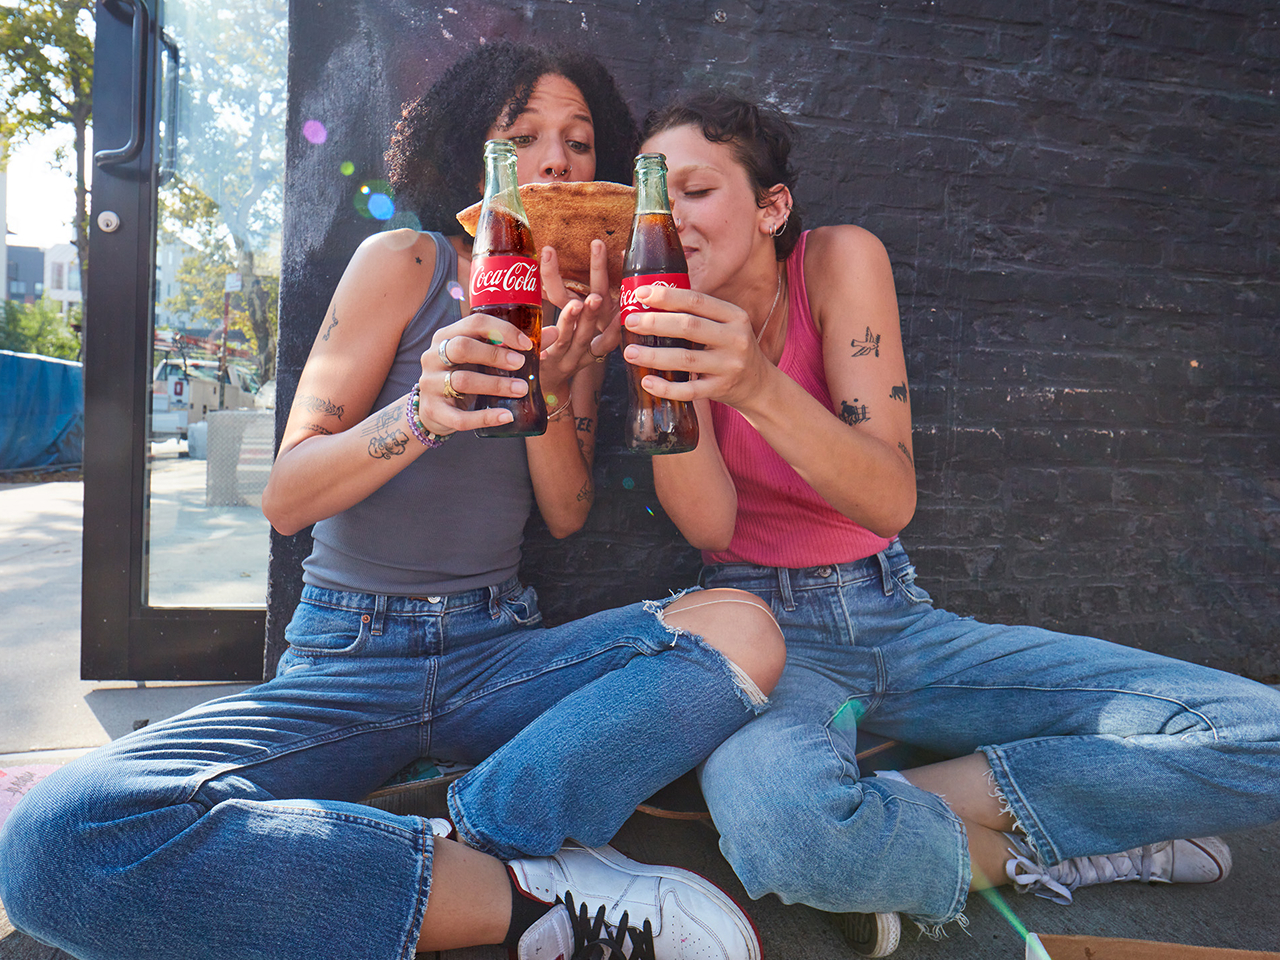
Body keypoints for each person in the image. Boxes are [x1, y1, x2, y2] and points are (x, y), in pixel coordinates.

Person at [0, 47, 786, 960]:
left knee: (747, 630)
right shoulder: (406, 261)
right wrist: (422, 410)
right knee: (59, 844)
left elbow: (565, 514)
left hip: (497, 651)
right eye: (523, 136)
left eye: (579, 142)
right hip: (350, 656)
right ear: (471, 150)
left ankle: (465, 827)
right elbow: (288, 497)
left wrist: (560, 377)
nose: (558, 160)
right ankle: (529, 891)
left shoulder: (574, 300)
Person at [622, 91, 1280, 952]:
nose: (672, 222)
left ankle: (890, 822)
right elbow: (710, 528)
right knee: (787, 831)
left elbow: (888, 497)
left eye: (698, 192)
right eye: (654, 204)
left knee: (1259, 736)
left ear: (772, 207)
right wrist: (662, 367)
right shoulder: (661, 314)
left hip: (893, 613)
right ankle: (1055, 853)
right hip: (760, 632)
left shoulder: (837, 261)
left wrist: (754, 382)